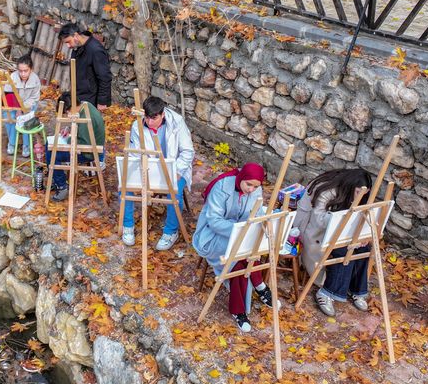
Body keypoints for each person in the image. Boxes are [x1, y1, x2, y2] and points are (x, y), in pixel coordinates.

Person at [192, 163, 278, 332]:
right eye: (249, 185)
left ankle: (245, 299)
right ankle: (251, 294)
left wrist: (263, 221)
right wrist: (240, 229)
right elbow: (214, 221)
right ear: (241, 178)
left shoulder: (256, 191)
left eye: (256, 186)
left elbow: (256, 212)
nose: (252, 190)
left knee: (248, 252)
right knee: (241, 255)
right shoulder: (221, 187)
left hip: (240, 234)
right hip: (213, 235)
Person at [292, 168, 374, 317]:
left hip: (341, 232)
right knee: (342, 251)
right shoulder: (327, 192)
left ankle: (356, 289)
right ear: (350, 186)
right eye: (357, 192)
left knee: (363, 248)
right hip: (314, 230)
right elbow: (318, 219)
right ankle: (327, 292)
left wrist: (362, 233)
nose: (360, 196)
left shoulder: (358, 194)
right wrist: (343, 218)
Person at [120, 96, 195, 251]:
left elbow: (187, 151)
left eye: (154, 118)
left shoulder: (177, 122)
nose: (150, 122)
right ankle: (127, 225)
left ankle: (170, 231)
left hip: (174, 167)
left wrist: (178, 171)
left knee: (175, 192)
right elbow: (135, 154)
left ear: (162, 115)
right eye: (147, 118)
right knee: (127, 186)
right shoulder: (137, 126)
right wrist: (138, 175)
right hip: (149, 167)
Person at [46, 92, 105, 201]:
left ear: (71, 107)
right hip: (89, 144)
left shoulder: (87, 119)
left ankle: (61, 186)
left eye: (67, 112)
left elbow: (84, 143)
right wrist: (68, 129)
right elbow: (81, 129)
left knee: (53, 153)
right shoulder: (85, 106)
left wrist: (67, 139)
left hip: (88, 152)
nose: (67, 115)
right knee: (49, 145)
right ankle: (56, 178)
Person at [57, 23, 111, 110]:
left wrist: (102, 101)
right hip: (79, 95)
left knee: (88, 123)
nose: (68, 45)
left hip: (91, 98)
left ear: (75, 35)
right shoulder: (78, 46)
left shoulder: (95, 50)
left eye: (68, 41)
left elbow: (105, 77)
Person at [3, 55, 42, 157]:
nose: (23, 73)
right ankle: (12, 143)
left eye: (26, 71)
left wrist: (22, 108)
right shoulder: (12, 77)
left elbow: (34, 98)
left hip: (29, 105)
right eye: (20, 71)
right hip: (13, 105)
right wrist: (16, 108)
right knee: (9, 117)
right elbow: (8, 95)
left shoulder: (35, 79)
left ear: (31, 69)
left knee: (26, 119)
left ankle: (26, 145)